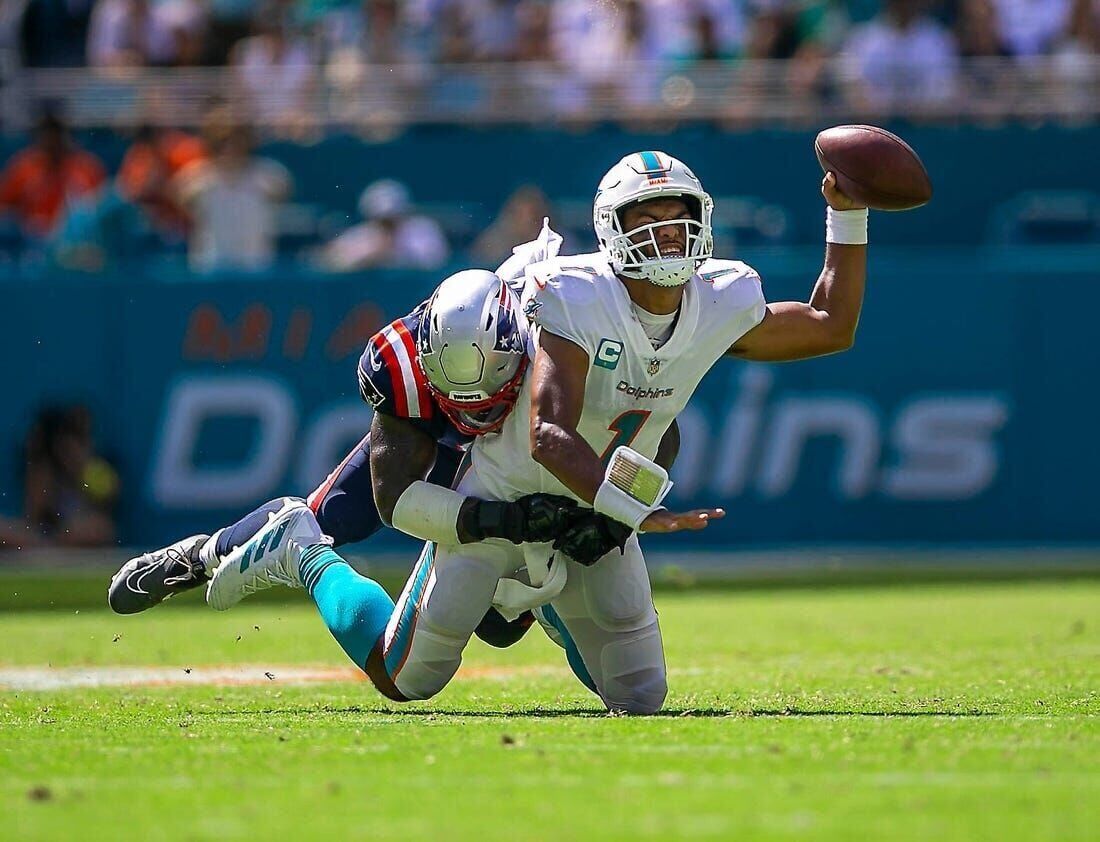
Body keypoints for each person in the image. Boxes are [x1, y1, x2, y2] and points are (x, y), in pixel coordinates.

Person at [207, 149, 871, 713]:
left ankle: (546, 598)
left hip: (594, 496)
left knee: (639, 696)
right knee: (410, 677)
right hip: (500, 491)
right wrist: (634, 509)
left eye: (678, 215)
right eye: (647, 216)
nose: (666, 231)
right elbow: (551, 432)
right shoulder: (577, 293)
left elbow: (829, 324)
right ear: (613, 230)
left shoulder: (724, 298)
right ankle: (305, 550)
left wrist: (849, 209)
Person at [110, 234, 674, 655]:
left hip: (519, 441)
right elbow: (392, 501)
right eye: (462, 396)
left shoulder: (560, 336)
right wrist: (505, 521)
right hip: (446, 441)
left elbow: (658, 429)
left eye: (492, 392)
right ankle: (204, 556)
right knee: (334, 517)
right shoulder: (403, 367)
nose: (477, 409)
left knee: (499, 626)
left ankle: (545, 599)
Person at [174, 111, 291, 272]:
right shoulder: (195, 179)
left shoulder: (269, 176)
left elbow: (283, 194)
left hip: (256, 265)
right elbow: (181, 200)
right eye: (223, 143)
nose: (230, 150)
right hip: (210, 266)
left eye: (236, 143)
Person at [0, 112, 106, 239]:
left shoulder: (87, 168)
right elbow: (3, 207)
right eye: (47, 141)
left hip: (76, 238)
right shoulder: (23, 169)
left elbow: (102, 212)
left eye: (55, 140)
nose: (52, 145)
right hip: (33, 239)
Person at [318, 179, 450, 271]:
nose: (388, 223)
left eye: (392, 218)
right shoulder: (364, 233)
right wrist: (366, 259)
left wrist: (391, 255)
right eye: (382, 219)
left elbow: (435, 261)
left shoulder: (423, 230)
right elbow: (332, 260)